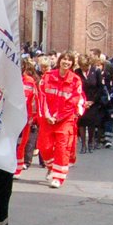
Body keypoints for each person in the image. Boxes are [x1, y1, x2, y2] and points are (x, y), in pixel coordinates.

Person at [37, 53, 84, 188]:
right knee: (44, 147)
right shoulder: (48, 76)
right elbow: (42, 96)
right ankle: (51, 167)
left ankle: (58, 176)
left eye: (69, 60)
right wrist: (47, 115)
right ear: (59, 61)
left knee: (62, 148)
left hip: (65, 119)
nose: (66, 62)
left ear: (72, 64)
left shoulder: (75, 80)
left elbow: (73, 101)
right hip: (47, 118)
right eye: (64, 59)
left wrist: (58, 117)